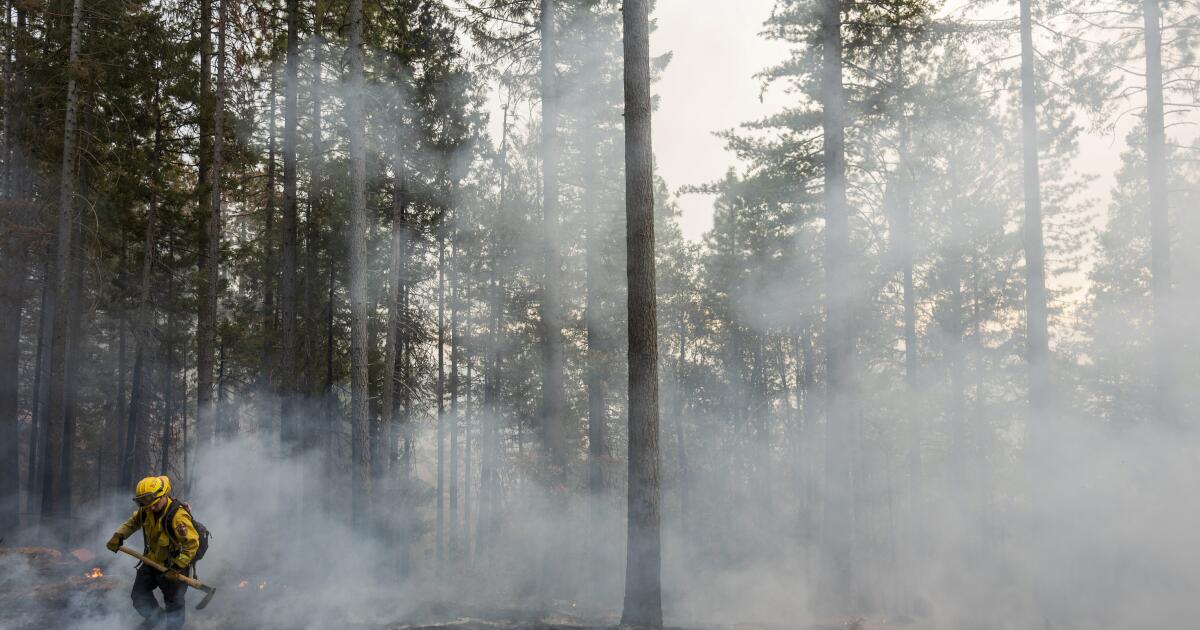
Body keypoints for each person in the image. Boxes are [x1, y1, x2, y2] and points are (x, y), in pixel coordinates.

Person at [106, 475, 199, 629]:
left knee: (174, 605)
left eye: (155, 504)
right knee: (139, 596)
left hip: (173, 566)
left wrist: (176, 567)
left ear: (163, 495)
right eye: (147, 505)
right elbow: (133, 523)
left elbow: (192, 544)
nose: (151, 508)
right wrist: (118, 536)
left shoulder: (178, 516)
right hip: (151, 562)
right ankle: (158, 620)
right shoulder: (146, 509)